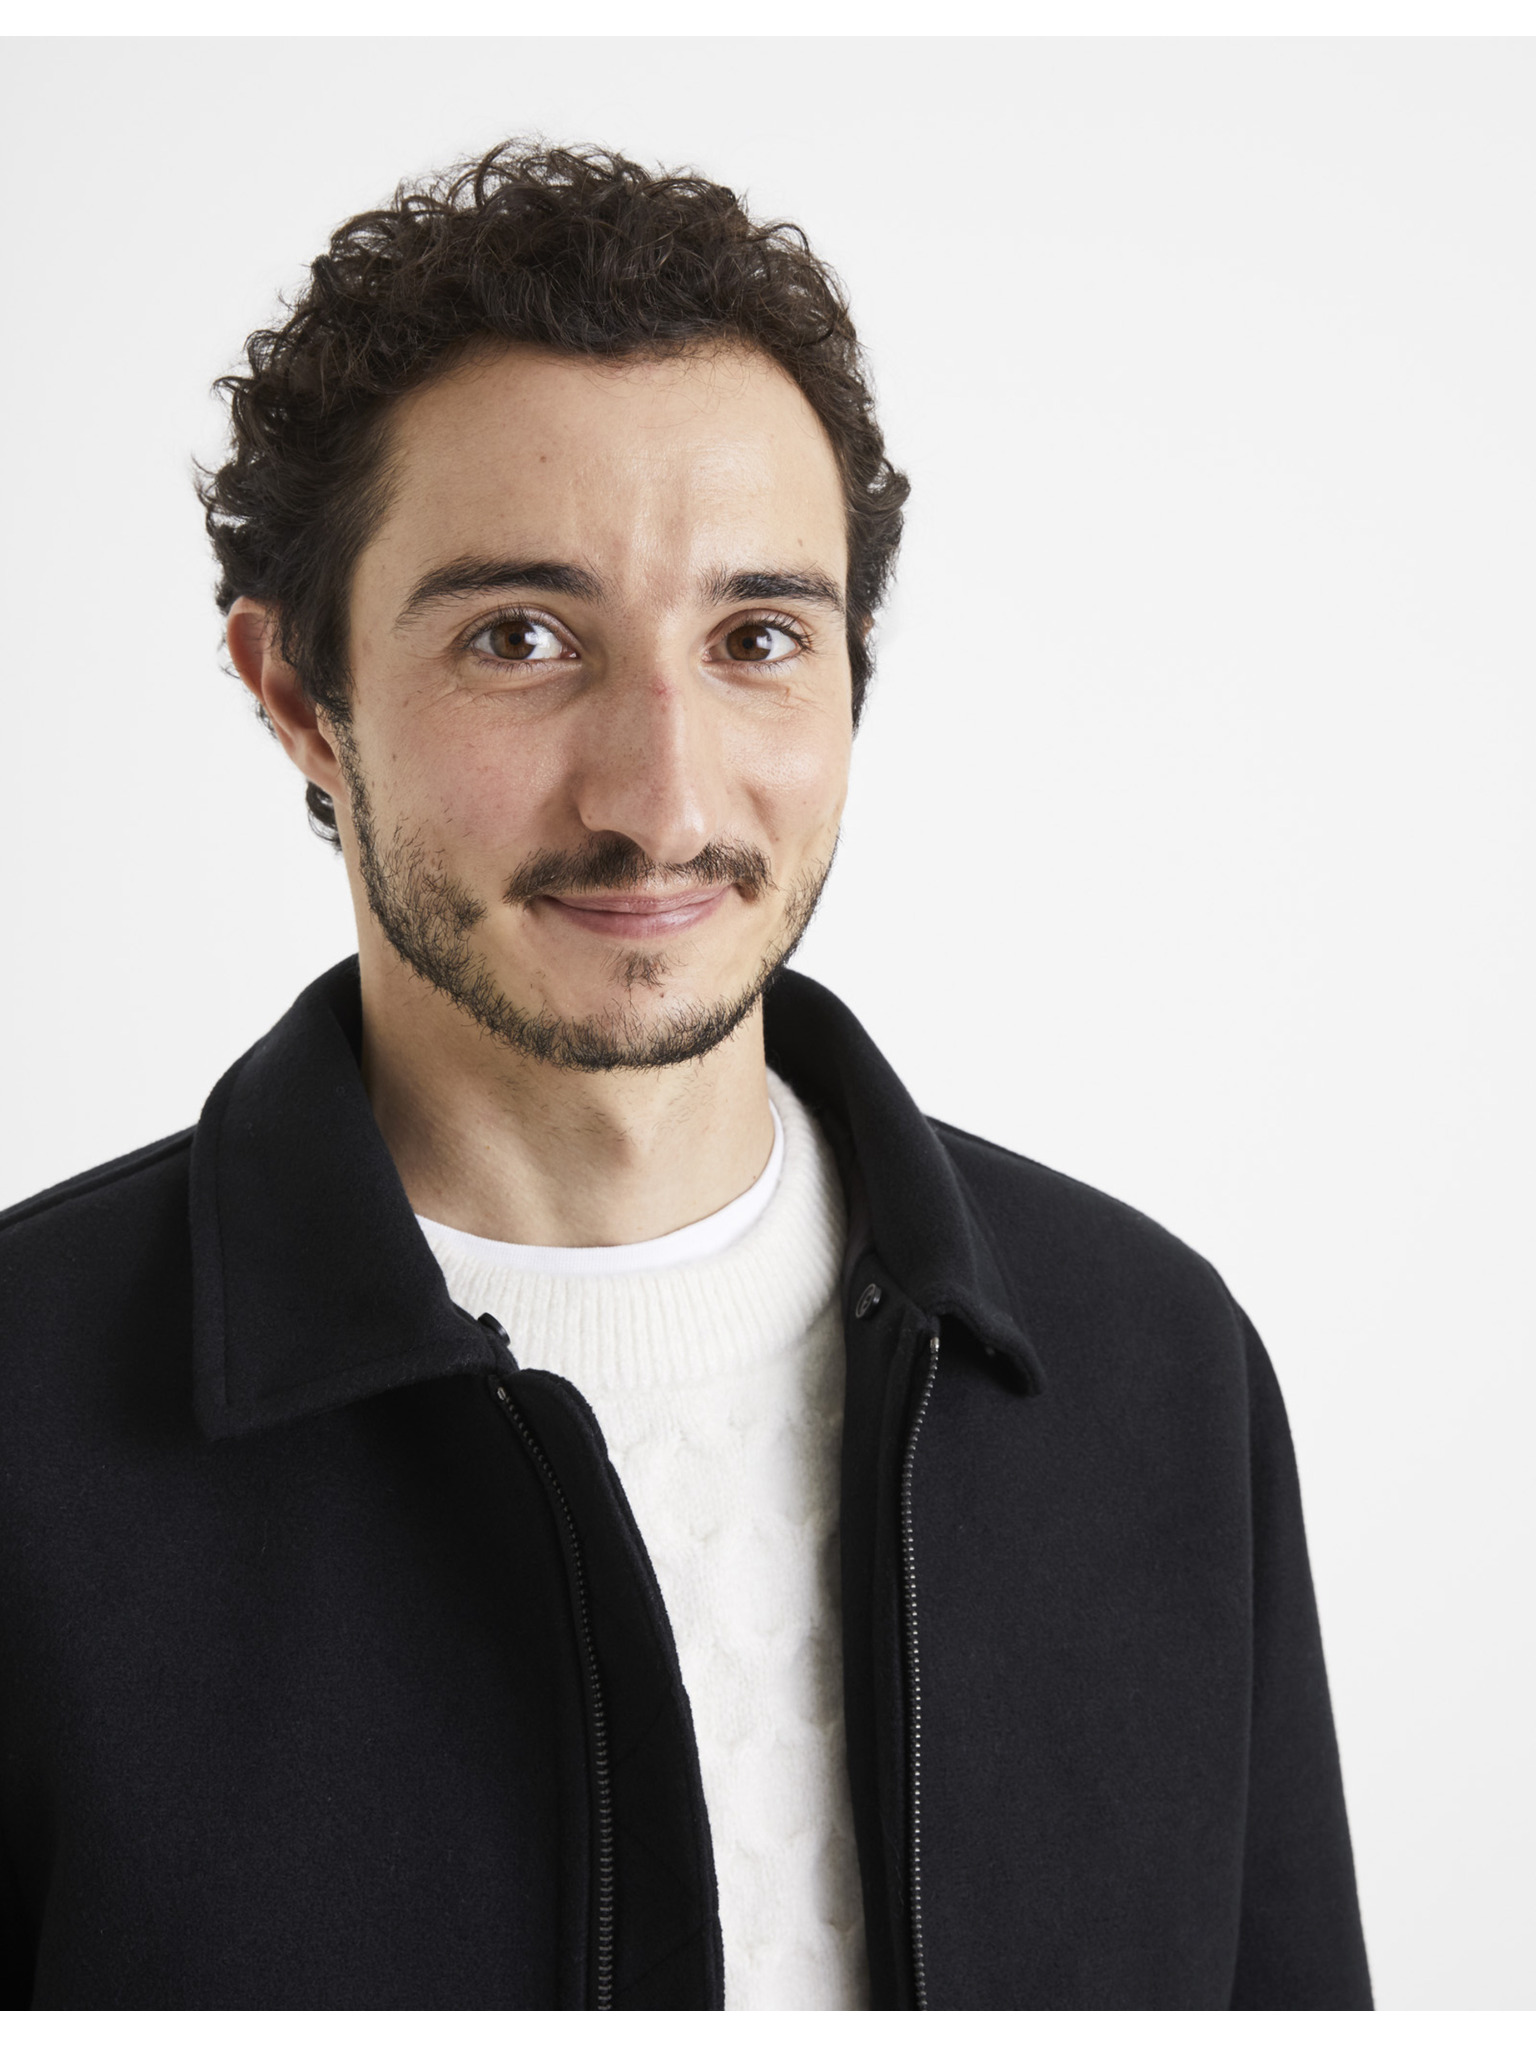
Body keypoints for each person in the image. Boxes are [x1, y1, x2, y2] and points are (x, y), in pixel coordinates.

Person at [0, 142, 1371, 2012]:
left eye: (756, 640)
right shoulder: (26, 1420)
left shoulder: (1152, 1369)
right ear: (301, 695)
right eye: (520, 638)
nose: (660, 797)